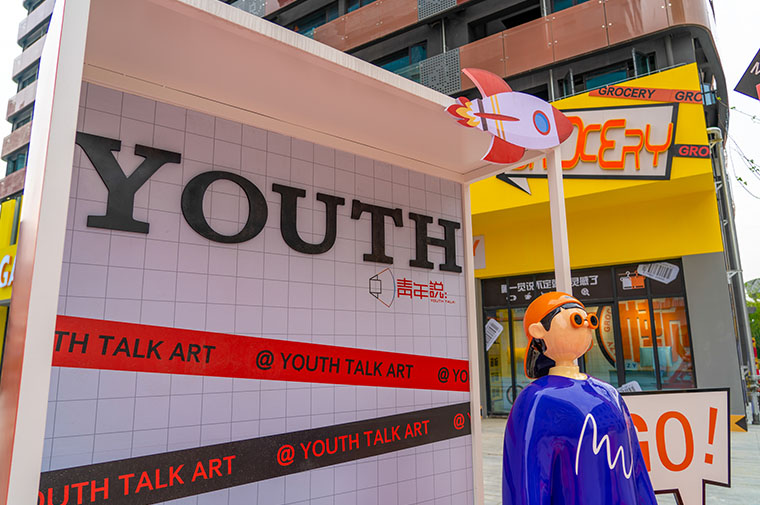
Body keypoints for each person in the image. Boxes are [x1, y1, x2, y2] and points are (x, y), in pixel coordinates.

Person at [502, 292, 656, 505]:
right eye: (575, 319)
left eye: (589, 320)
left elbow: (636, 465)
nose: (585, 324)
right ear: (538, 331)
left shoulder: (609, 393)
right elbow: (527, 480)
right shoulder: (535, 399)